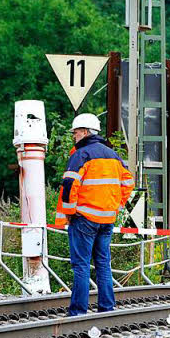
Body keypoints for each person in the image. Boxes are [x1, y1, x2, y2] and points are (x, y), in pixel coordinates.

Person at [54, 114, 134, 316]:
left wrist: (69, 213)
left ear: (86, 132)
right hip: (107, 219)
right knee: (103, 265)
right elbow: (128, 184)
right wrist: (116, 205)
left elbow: (70, 185)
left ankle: (78, 312)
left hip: (84, 219)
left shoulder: (81, 155)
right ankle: (107, 308)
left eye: (76, 132)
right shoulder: (113, 156)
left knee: (81, 266)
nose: (74, 136)